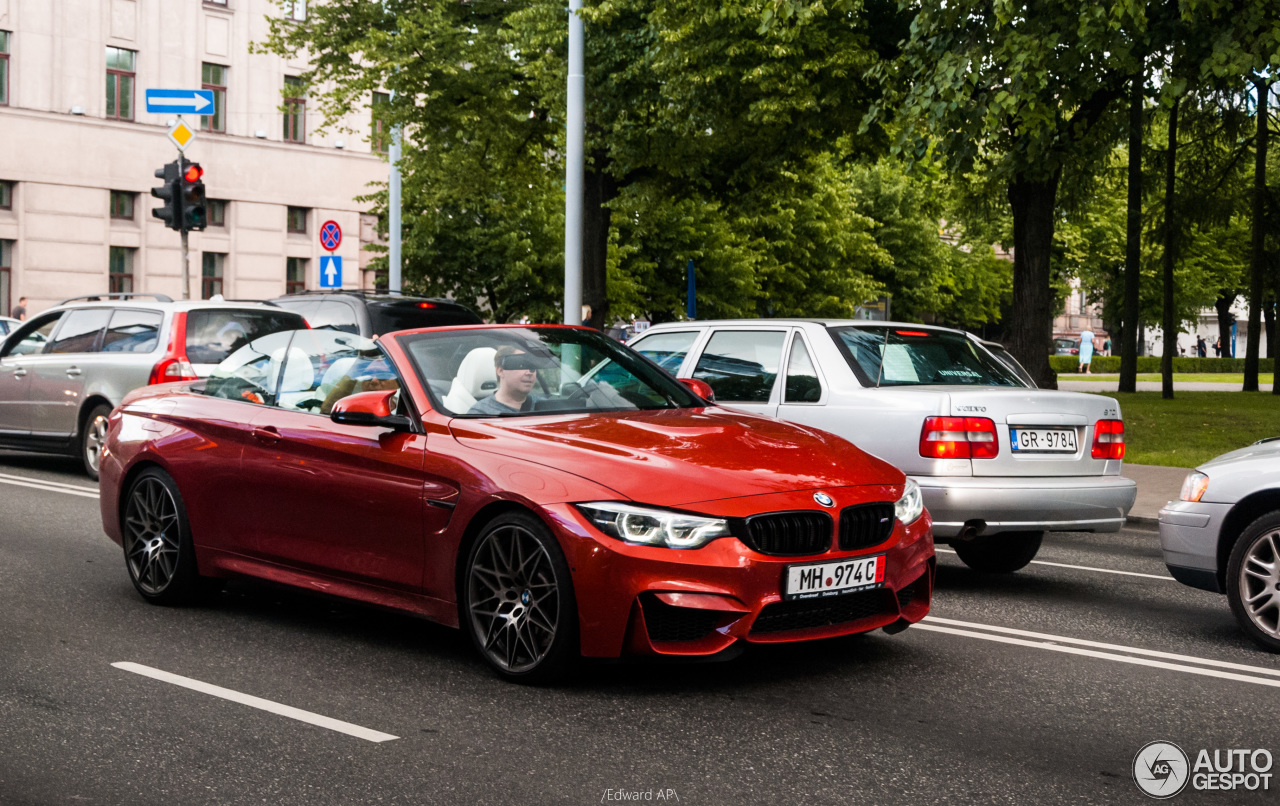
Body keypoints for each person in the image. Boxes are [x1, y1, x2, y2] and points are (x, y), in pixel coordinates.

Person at [468, 345, 539, 415]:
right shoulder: (480, 414)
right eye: (521, 365)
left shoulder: (546, 406)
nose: (529, 372)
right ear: (500, 371)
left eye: (532, 366)